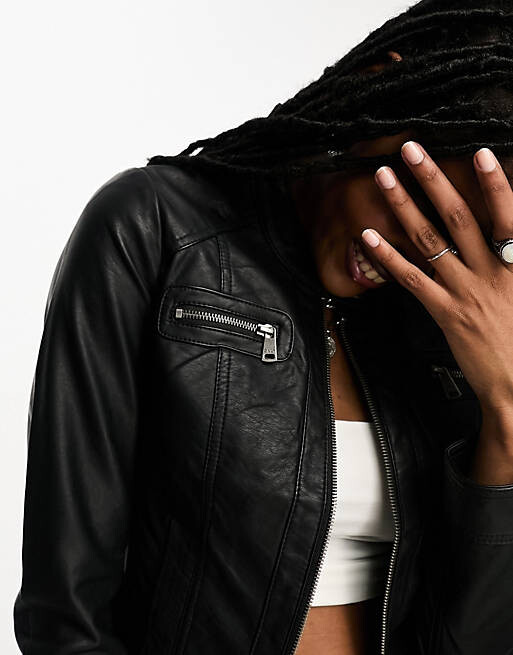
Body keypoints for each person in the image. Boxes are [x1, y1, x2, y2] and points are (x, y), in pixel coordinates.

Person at [13, 0, 513, 653]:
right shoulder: (158, 232)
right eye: (422, 205)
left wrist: (506, 406)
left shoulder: (449, 329)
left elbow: (471, 640)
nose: (417, 251)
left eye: (458, 238)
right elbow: (66, 619)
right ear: (379, 86)